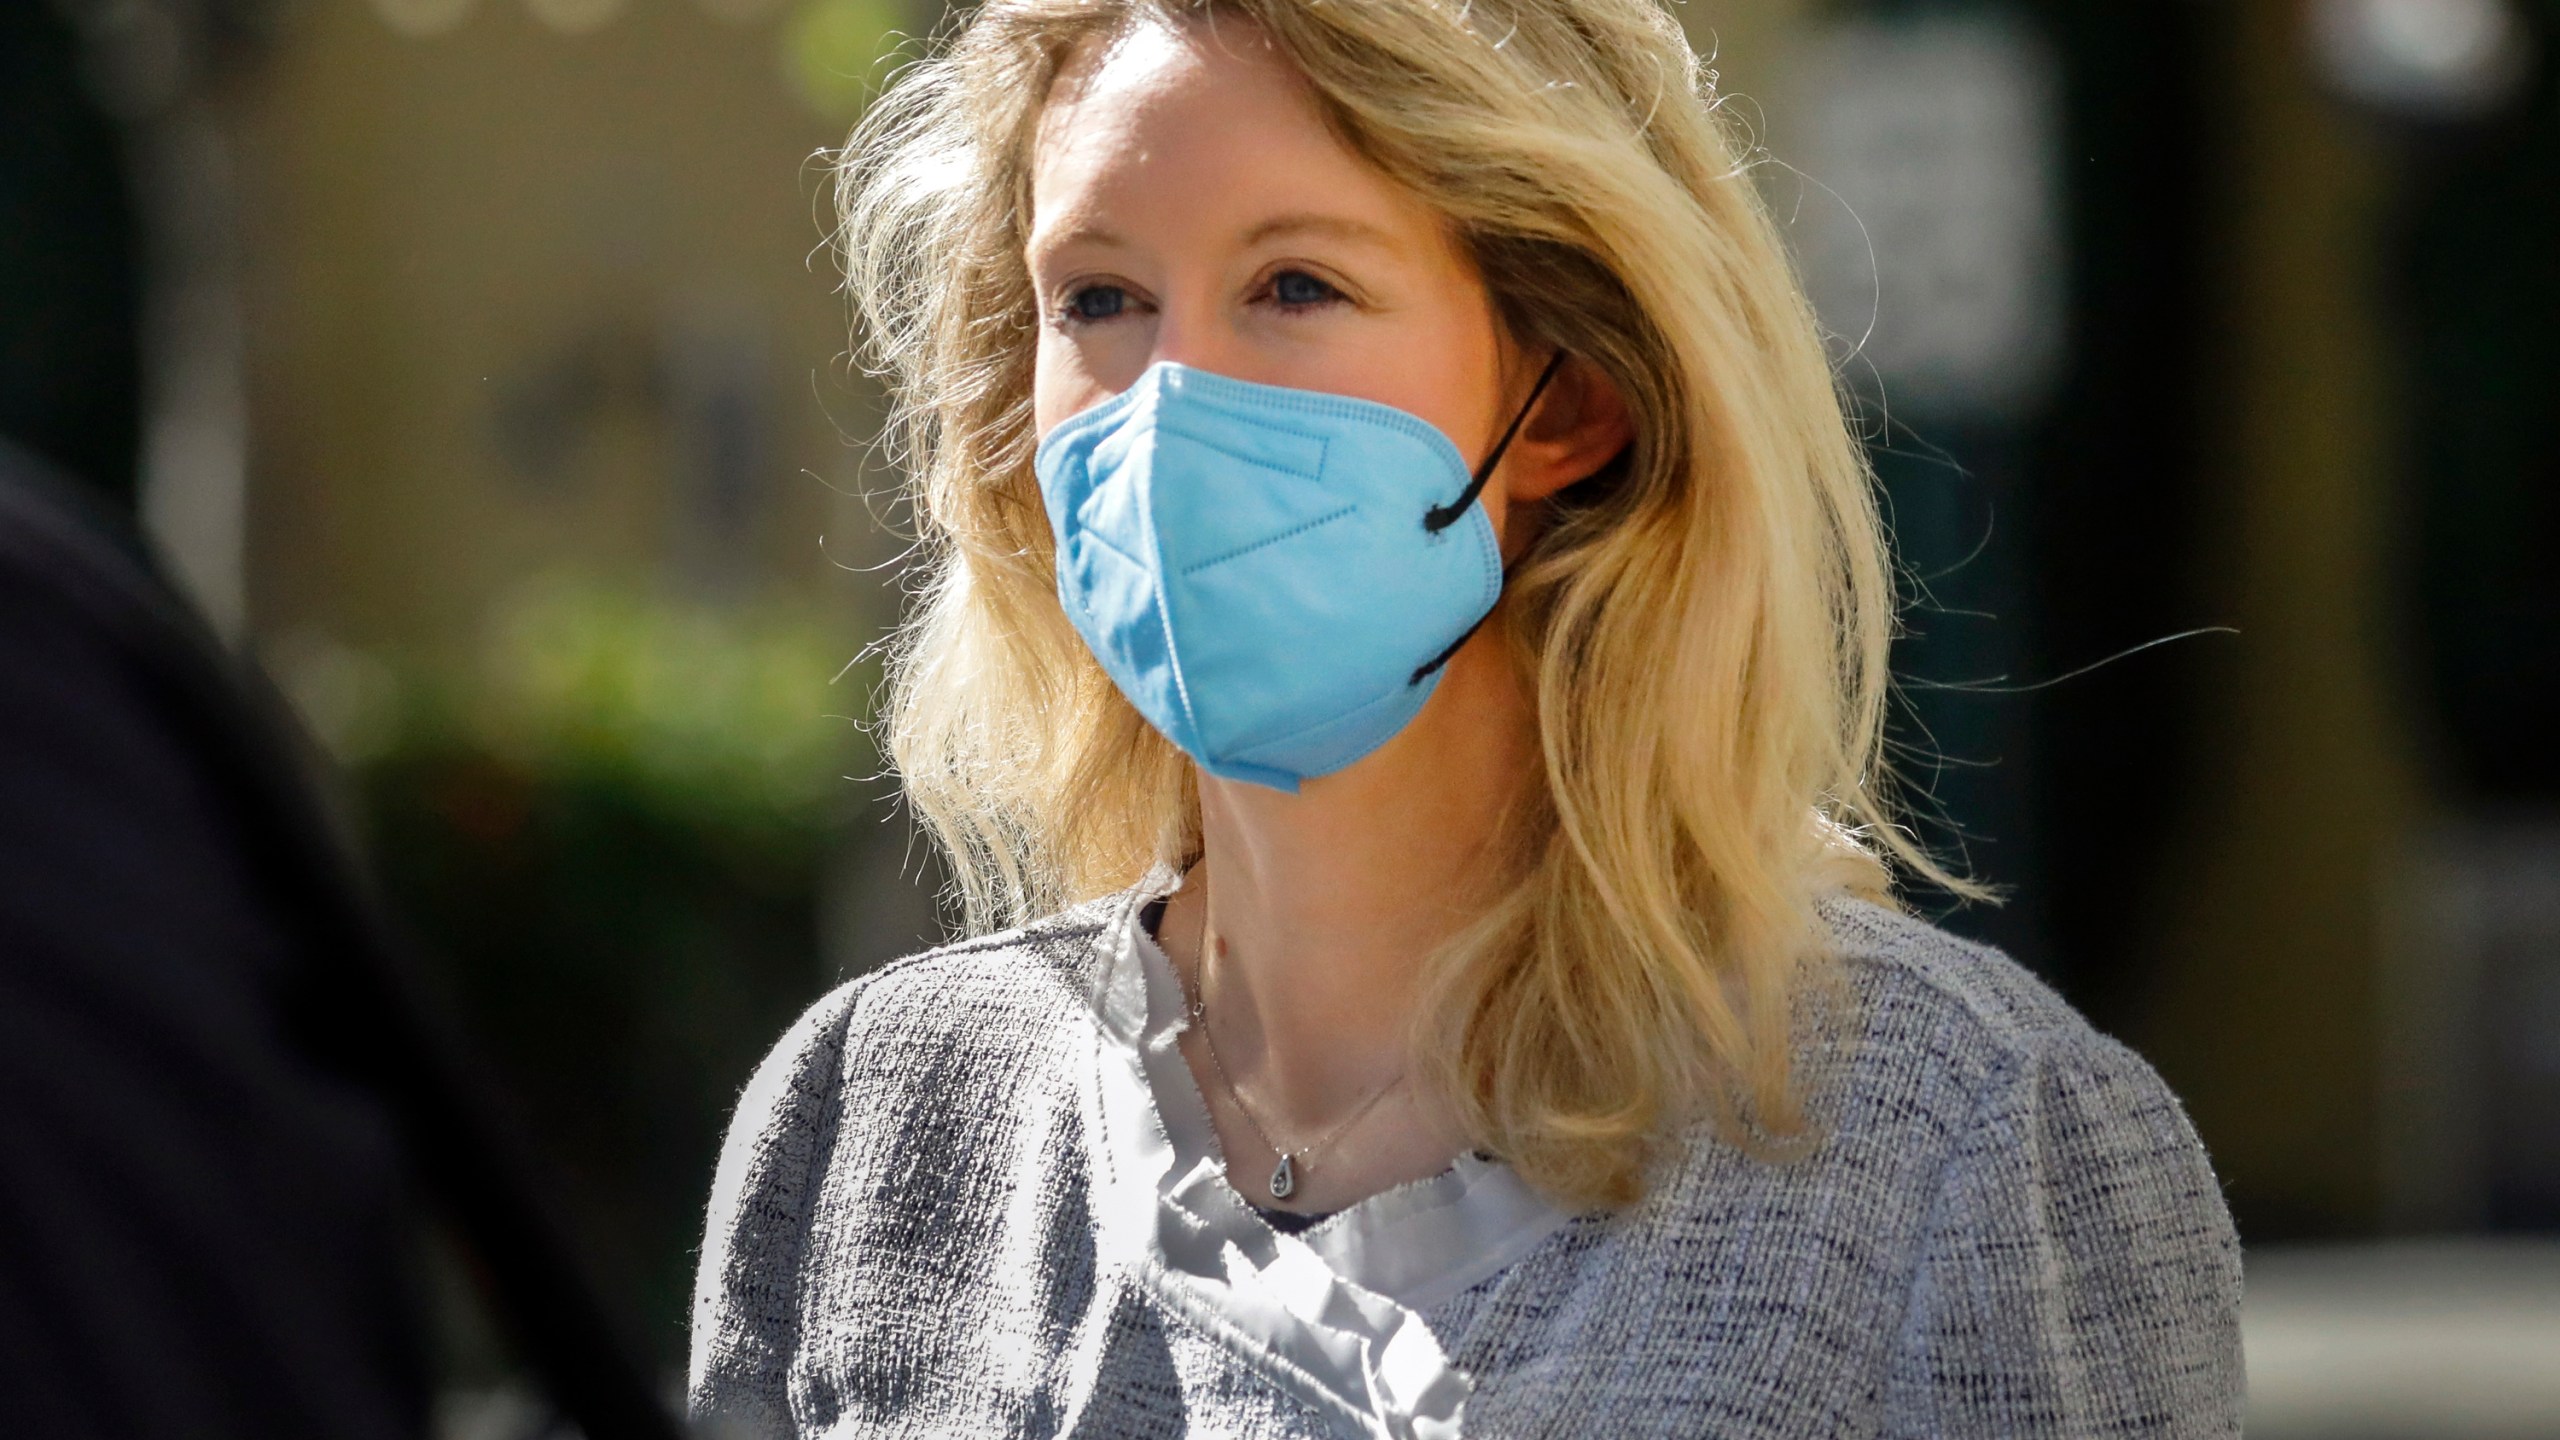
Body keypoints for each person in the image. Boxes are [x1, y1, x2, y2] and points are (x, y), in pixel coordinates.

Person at [687, 2, 2244, 1435]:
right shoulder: (874, 1122)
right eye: (1097, 298)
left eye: (1296, 285)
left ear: (1569, 400)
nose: (1170, 402)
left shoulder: (1963, 1143)